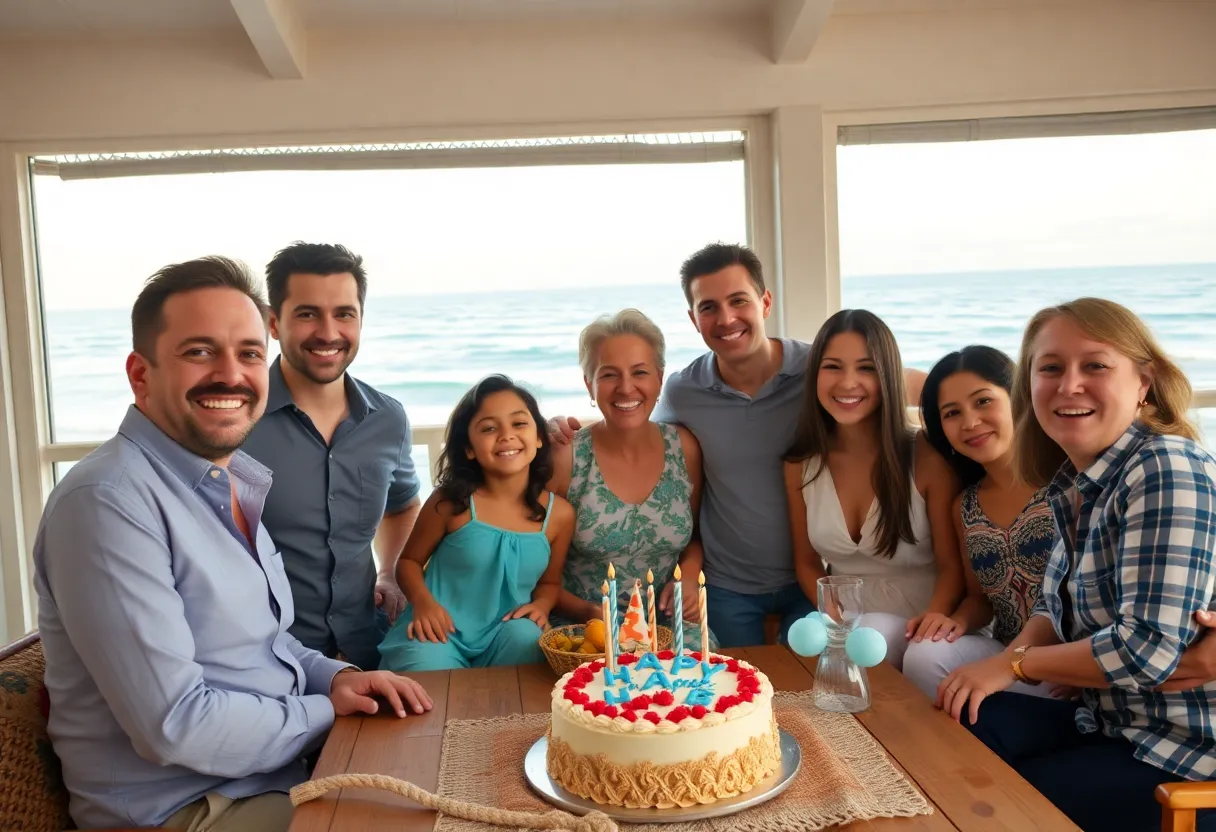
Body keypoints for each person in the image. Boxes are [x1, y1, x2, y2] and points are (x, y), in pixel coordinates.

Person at [33, 256, 431, 832]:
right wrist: (327, 711)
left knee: (450, 781)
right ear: (141, 374)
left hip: (271, 775)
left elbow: (268, 645)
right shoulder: (107, 501)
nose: (231, 375)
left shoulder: (227, 480)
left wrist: (337, 678)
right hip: (187, 808)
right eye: (199, 351)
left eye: (247, 353)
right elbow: (176, 726)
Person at [551, 243, 926, 647]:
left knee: (812, 672)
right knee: (731, 681)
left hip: (811, 576)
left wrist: (954, 410)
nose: (726, 318)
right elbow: (632, 422)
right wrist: (547, 427)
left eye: (738, 300)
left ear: (765, 302)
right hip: (727, 585)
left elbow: (885, 378)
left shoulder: (818, 371)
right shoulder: (682, 391)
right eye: (708, 307)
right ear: (694, 319)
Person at [938, 298, 1216, 832]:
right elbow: (1052, 605)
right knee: (957, 725)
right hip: (1110, 722)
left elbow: (1145, 652)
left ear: (1143, 382)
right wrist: (1005, 663)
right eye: (1050, 368)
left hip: (1181, 754)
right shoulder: (1077, 482)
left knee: (987, 803)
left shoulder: (1164, 467)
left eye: (1095, 365)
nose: (1069, 385)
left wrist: (1014, 666)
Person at [241, 242, 422, 671]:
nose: (328, 333)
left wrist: (390, 572)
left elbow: (402, 505)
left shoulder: (389, 419)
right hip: (270, 662)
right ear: (273, 323)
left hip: (370, 651)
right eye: (307, 314)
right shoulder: (236, 422)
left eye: (344, 314)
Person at [783, 309, 962, 670]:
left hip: (927, 636)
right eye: (833, 367)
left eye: (866, 368)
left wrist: (927, 631)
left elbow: (953, 569)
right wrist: (832, 615)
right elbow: (806, 562)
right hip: (849, 634)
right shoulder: (800, 464)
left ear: (888, 375)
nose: (848, 382)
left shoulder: (926, 456)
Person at [379, 375, 575, 670]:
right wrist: (424, 604)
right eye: (489, 428)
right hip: (439, 629)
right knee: (427, 669)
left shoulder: (559, 515)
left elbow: (549, 583)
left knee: (528, 636)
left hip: (505, 632)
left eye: (519, 423)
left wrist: (542, 606)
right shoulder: (450, 502)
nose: (506, 435)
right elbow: (408, 563)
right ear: (469, 448)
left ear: (538, 437)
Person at [547, 309, 712, 647]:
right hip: (586, 628)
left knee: (700, 670)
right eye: (609, 375)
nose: (625, 388)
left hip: (667, 625)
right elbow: (535, 572)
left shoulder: (684, 447)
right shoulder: (566, 457)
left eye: (640, 372)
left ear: (659, 379)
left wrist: (689, 576)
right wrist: (590, 613)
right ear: (589, 384)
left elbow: (694, 537)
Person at [901, 346, 1057, 698]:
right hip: (1004, 657)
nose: (970, 422)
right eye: (952, 413)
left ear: (1018, 399)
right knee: (924, 653)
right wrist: (956, 621)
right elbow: (980, 600)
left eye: (983, 401)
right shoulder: (965, 507)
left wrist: (1074, 662)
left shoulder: (1064, 482)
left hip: (1069, 662)